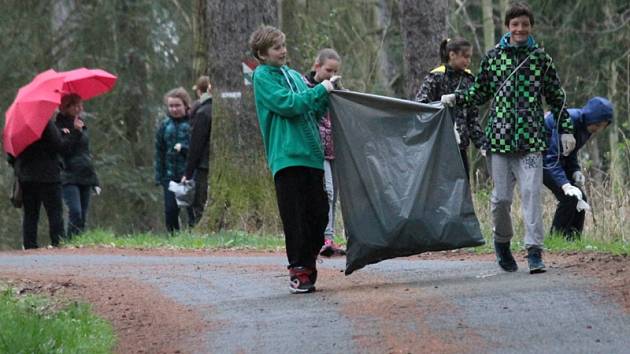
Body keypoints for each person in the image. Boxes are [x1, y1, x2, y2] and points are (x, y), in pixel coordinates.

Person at [441, 2, 576, 274]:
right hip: (499, 140)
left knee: (531, 196)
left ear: (531, 27)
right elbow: (480, 93)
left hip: (531, 141)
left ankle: (534, 252)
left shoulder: (541, 59)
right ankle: (502, 243)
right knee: (501, 199)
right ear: (507, 27)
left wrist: (566, 128)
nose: (520, 29)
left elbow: (556, 97)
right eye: (515, 24)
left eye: (525, 24)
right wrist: (457, 98)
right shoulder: (493, 57)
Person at [249, 25, 339, 293]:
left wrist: (327, 93)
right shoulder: (262, 77)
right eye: (277, 47)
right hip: (287, 157)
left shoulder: (294, 75)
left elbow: (311, 108)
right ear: (262, 54)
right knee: (296, 217)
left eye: (283, 45)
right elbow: (289, 105)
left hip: (312, 156)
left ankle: (307, 262)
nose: (283, 51)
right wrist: (320, 90)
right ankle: (299, 270)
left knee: (320, 213)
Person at [415, 38, 487, 180]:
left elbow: (472, 118)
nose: (468, 61)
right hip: (437, 144)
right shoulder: (436, 77)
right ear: (452, 55)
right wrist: (441, 107)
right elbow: (421, 106)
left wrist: (481, 143)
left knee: (462, 186)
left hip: (460, 145)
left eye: (470, 57)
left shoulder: (469, 80)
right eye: (465, 56)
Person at [8, 115, 83, 249]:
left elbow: (11, 155)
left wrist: (20, 167)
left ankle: (30, 246)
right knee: (54, 213)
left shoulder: (17, 126)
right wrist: (76, 132)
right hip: (48, 177)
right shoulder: (44, 122)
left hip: (27, 178)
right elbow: (61, 146)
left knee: (30, 215)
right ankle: (58, 243)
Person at [543, 97, 613, 240]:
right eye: (599, 124)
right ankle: (557, 238)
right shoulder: (568, 121)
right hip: (541, 160)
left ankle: (573, 240)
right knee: (568, 198)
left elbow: (570, 151)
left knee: (581, 197)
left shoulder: (586, 128)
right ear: (593, 118)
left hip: (556, 161)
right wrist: (565, 184)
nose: (599, 129)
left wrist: (575, 170)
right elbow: (552, 157)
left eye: (603, 126)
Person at [302, 48, 346, 257]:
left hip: (334, 148)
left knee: (333, 195)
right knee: (326, 192)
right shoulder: (305, 86)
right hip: (315, 150)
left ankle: (329, 237)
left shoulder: (337, 90)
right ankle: (322, 238)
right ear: (316, 66)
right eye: (328, 70)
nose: (331, 74)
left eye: (335, 71)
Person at [55, 94, 100, 238]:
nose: (79, 108)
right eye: (75, 105)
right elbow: (63, 149)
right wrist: (75, 132)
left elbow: (85, 153)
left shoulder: (82, 124)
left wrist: (95, 179)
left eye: (80, 105)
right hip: (68, 174)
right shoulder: (58, 126)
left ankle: (79, 244)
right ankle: (70, 242)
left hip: (85, 174)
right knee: (75, 211)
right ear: (64, 107)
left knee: (83, 216)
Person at [155, 87, 195, 233]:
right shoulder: (164, 126)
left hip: (190, 175)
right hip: (170, 176)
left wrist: (184, 149)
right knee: (171, 210)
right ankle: (173, 237)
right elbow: (159, 151)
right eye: (171, 106)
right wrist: (159, 176)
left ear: (185, 105)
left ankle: (194, 236)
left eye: (177, 105)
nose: (174, 109)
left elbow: (197, 149)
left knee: (192, 210)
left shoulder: (192, 123)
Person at [181, 76, 212, 225]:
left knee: (201, 203)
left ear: (200, 92)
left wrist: (188, 172)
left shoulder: (203, 112)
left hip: (204, 166)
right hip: (212, 164)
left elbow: (196, 145)